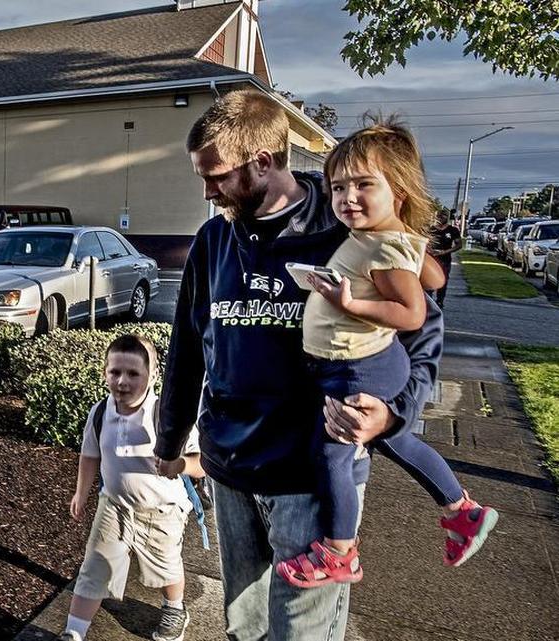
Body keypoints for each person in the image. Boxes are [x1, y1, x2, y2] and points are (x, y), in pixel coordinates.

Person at [154, 90, 443, 641]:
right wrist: (171, 440)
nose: (207, 191)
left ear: (263, 161)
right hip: (230, 466)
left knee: (301, 634)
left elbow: (422, 332)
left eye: (216, 176)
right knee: (243, 624)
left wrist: (393, 414)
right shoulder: (214, 239)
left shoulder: (350, 229)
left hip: (312, 475)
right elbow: (188, 345)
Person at [273, 121, 498, 589]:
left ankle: (339, 553)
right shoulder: (388, 239)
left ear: (398, 192)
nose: (346, 196)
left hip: (360, 368)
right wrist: (411, 248)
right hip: (363, 362)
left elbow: (414, 312)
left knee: (335, 455)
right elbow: (432, 279)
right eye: (338, 187)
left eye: (363, 185)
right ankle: (462, 510)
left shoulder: (385, 246)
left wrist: (349, 302)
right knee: (394, 438)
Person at [60, 334, 203, 641]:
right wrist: (81, 492)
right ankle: (73, 632)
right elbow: (90, 455)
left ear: (153, 375)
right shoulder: (100, 412)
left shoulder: (165, 415)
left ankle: (175, 608)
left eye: (133, 374)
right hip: (113, 506)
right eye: (115, 372)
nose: (122, 381)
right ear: (104, 373)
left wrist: (178, 465)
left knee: (166, 567)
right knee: (94, 568)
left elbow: (202, 462)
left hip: (161, 510)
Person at [427, 209, 463, 307]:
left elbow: (459, 245)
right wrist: (429, 250)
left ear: (448, 217)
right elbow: (425, 242)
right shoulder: (432, 229)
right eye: (440, 215)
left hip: (445, 259)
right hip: (432, 258)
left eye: (444, 215)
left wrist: (445, 252)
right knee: (429, 279)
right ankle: (429, 301)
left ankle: (440, 300)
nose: (441, 217)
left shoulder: (453, 230)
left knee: (443, 280)